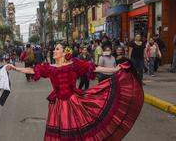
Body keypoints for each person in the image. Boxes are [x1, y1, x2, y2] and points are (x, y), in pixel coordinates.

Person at [8, 42, 143, 140]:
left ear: (63, 52)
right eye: (54, 49)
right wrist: (14, 68)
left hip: (74, 102)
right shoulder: (49, 67)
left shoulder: (74, 63)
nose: (53, 51)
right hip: (58, 105)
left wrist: (115, 70)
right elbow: (31, 70)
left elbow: (95, 68)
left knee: (77, 130)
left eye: (57, 49)